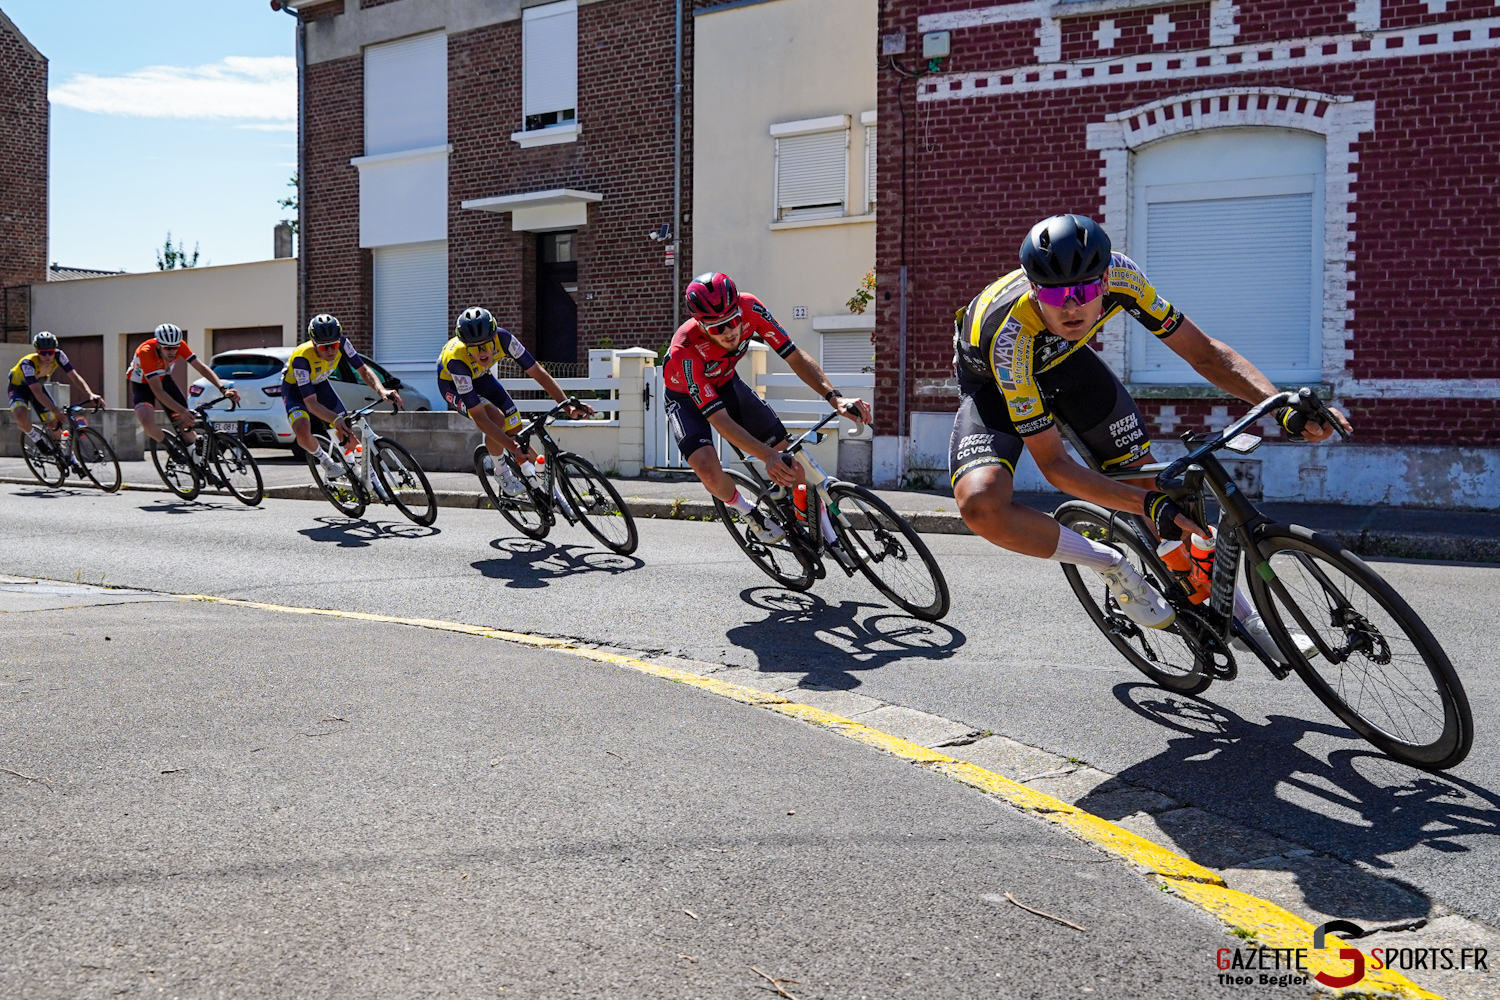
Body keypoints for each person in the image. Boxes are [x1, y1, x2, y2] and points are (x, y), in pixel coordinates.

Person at [949, 214, 1349, 659]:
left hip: (1067, 365)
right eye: (1054, 295)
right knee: (981, 505)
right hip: (997, 381)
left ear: (1104, 281)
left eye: (1084, 292)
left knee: (1148, 483)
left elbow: (1204, 353)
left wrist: (1280, 404)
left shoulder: (1123, 276)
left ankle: (1245, 619)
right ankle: (1109, 563)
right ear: (1032, 289)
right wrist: (1147, 507)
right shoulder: (1011, 338)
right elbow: (1055, 466)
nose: (1071, 308)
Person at [663, 272, 871, 543]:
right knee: (707, 469)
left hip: (726, 384)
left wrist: (835, 398)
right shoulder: (684, 350)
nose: (729, 332)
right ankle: (749, 512)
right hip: (685, 400)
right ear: (701, 326)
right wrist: (766, 456)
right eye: (717, 328)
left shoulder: (751, 307)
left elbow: (794, 356)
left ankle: (811, 522)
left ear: (739, 310)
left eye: (732, 321)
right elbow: (719, 419)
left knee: (789, 459)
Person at [439, 306, 592, 497]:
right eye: (474, 348)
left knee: (516, 428)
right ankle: (502, 472)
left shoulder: (504, 339)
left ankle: (548, 490)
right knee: (495, 419)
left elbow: (537, 372)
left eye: (486, 346)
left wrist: (565, 403)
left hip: (481, 377)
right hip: (452, 385)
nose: (482, 353)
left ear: (494, 338)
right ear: (465, 346)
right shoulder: (457, 361)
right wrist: (512, 448)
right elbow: (480, 418)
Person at [283, 314, 399, 478]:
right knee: (302, 428)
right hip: (295, 391)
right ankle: (325, 461)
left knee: (346, 433)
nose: (331, 351)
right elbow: (310, 403)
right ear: (314, 344)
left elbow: (363, 370)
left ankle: (364, 474)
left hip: (321, 384)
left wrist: (382, 391)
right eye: (324, 347)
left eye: (334, 345)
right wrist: (335, 419)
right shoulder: (301, 358)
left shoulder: (343, 343)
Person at [129, 324, 240, 450]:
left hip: (164, 379)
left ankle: (198, 455)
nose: (172, 352)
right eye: (167, 348)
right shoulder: (145, 352)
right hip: (142, 384)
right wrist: (181, 411)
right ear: (158, 345)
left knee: (186, 423)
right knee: (146, 421)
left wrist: (223, 389)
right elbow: (158, 390)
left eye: (175, 348)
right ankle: (171, 449)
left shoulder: (180, 345)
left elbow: (201, 368)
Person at [8, 331, 104, 445]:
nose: (47, 356)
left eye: (50, 352)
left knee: (53, 424)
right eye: (43, 353)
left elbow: (75, 377)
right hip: (19, 389)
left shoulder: (59, 356)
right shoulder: (28, 363)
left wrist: (90, 394)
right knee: (20, 416)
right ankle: (36, 439)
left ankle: (65, 452)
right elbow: (36, 391)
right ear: (37, 351)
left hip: (37, 386)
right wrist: (54, 409)